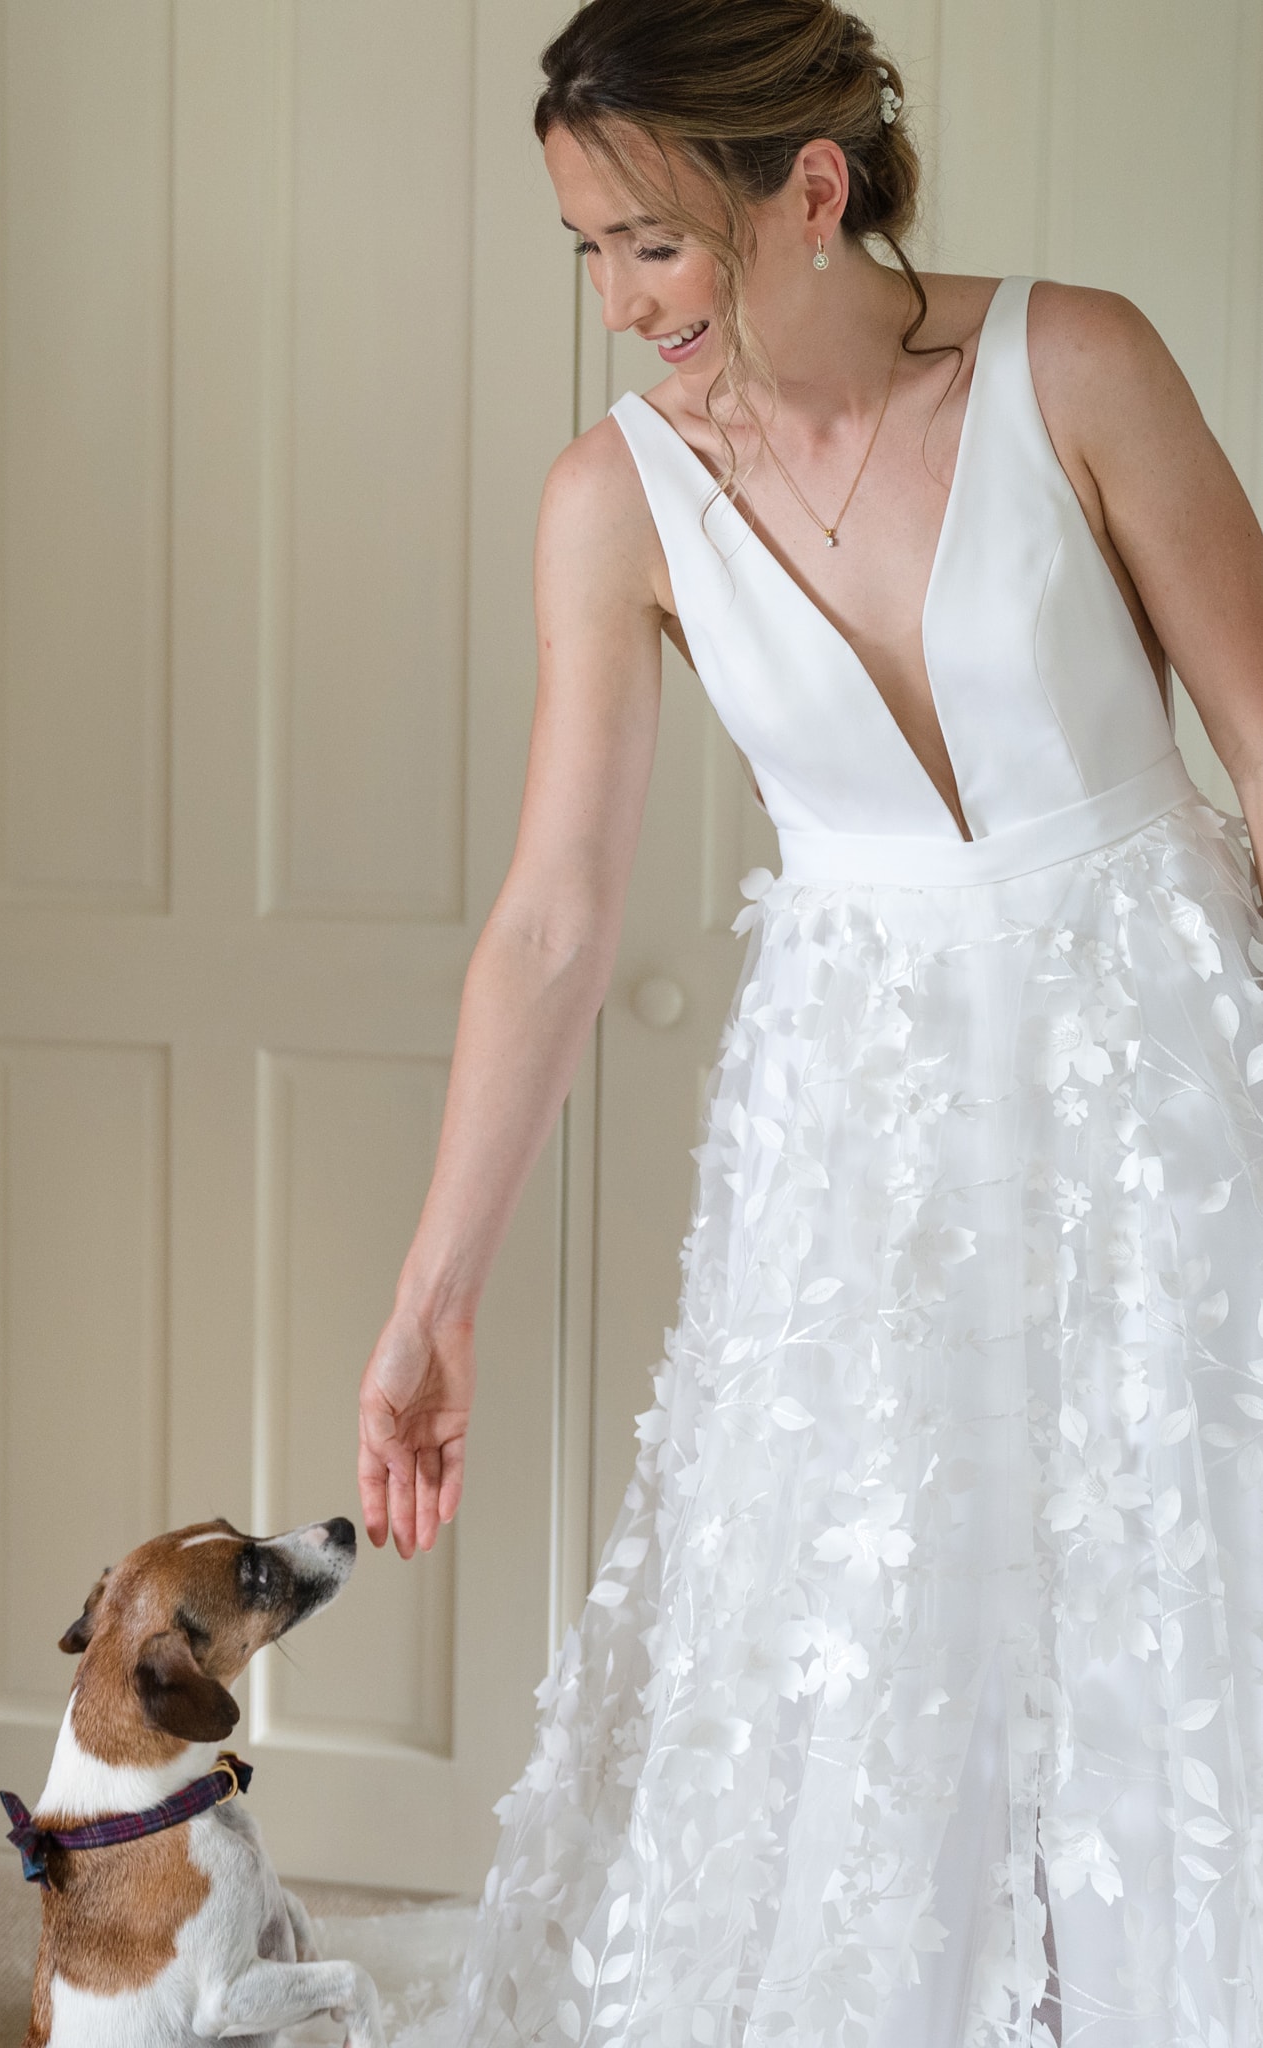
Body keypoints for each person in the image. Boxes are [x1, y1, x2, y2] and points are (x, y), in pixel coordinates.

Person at [356, 2, 1263, 2041]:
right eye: (585, 250)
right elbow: (554, 918)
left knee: (1182, 1591)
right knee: (886, 1622)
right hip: (868, 1124)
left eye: (649, 245)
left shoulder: (1079, 362)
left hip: (1172, 1079)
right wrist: (436, 1292)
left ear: (813, 194)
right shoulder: (614, 502)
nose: (616, 305)